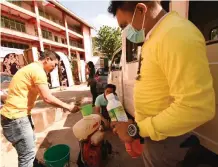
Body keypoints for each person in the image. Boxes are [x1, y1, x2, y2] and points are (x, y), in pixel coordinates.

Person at [107, 1, 215, 167]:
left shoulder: (176, 34)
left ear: (141, 9)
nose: (126, 32)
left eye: (125, 25)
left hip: (169, 144)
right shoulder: (155, 36)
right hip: (158, 139)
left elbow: (196, 108)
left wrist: (135, 129)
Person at [0, 50, 80, 167]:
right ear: (47, 59)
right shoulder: (38, 71)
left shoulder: (30, 68)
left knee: (29, 148)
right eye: (55, 64)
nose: (55, 68)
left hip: (16, 117)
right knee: (26, 157)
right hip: (17, 119)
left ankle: (36, 164)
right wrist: (68, 107)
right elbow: (47, 98)